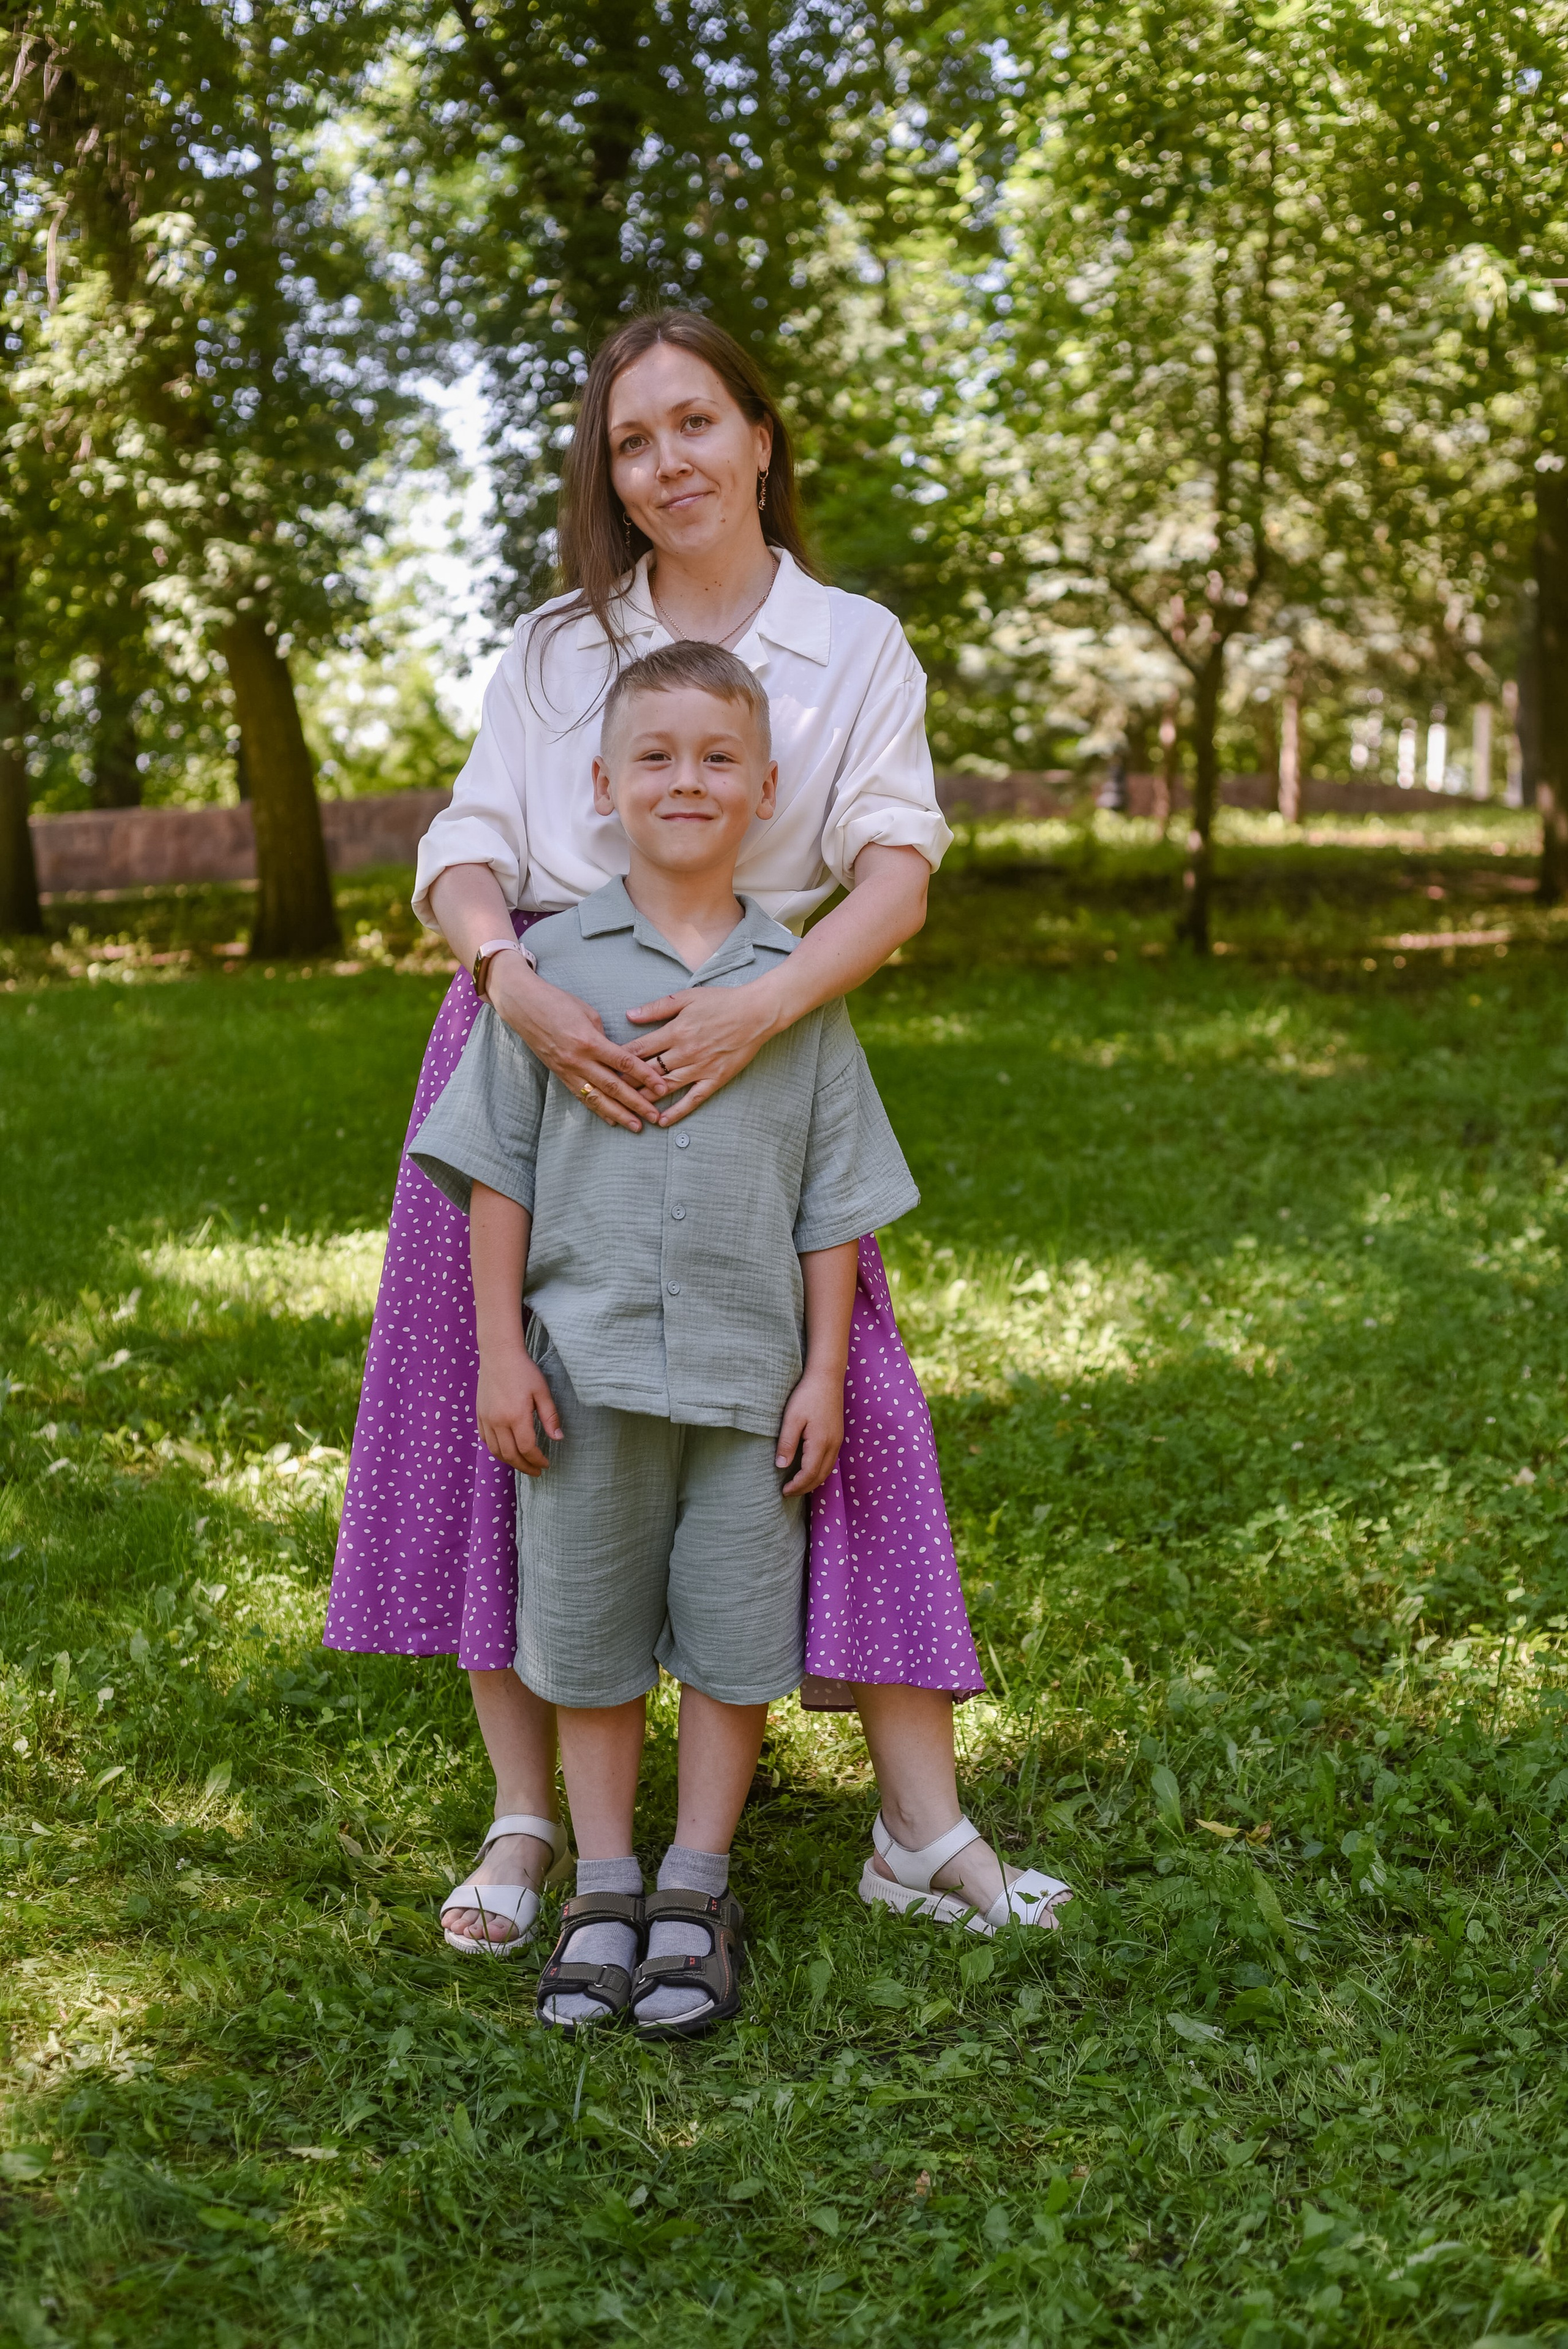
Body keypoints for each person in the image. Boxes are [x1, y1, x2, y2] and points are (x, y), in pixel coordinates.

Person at [323, 307, 1071, 1952]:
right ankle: (527, 1820)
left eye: (694, 423)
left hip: (756, 1037)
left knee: (841, 1403)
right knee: (509, 1411)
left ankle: (918, 1816)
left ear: (759, 437)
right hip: (539, 1035)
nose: (665, 462)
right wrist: (513, 984)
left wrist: (765, 1006)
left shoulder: (853, 644)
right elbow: (467, 843)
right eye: (631, 440)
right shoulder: (556, 647)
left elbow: (895, 870)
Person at [413, 640, 991, 2034]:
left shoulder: (793, 984)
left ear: (766, 790)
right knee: (587, 1634)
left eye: (719, 757)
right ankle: (602, 1884)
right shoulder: (550, 975)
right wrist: (499, 1353)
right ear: (602, 786)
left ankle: (695, 1883)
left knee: (737, 1642)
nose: (687, 780)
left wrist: (821, 1372)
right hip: (581, 1379)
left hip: (748, 1384)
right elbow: (497, 1178)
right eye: (656, 757)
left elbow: (832, 1203)